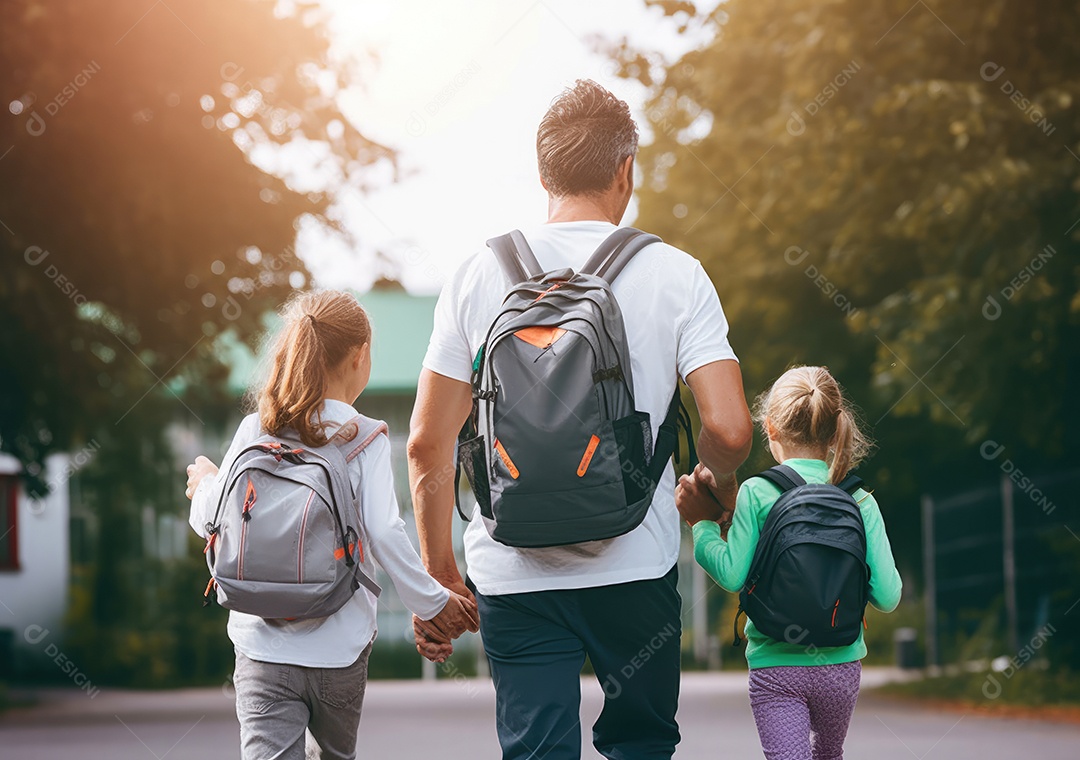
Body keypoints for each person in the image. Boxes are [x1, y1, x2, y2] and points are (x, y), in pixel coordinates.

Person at [407, 79, 753, 760]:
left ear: (543, 173)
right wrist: (711, 481)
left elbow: (426, 442)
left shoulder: (478, 274)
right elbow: (733, 429)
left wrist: (440, 577)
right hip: (635, 562)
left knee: (536, 751)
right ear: (626, 172)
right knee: (641, 743)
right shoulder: (676, 273)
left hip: (513, 571)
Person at [185, 289, 478, 760]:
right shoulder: (365, 438)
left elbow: (212, 521)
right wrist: (434, 603)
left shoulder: (256, 430)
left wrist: (204, 483)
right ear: (360, 356)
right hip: (338, 650)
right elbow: (384, 533)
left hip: (261, 646)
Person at [677, 365, 902, 760]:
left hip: (775, 667)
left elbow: (732, 576)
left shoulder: (757, 492)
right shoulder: (861, 500)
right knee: (829, 755)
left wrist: (703, 527)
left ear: (771, 428)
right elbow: (888, 596)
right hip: (840, 666)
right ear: (836, 433)